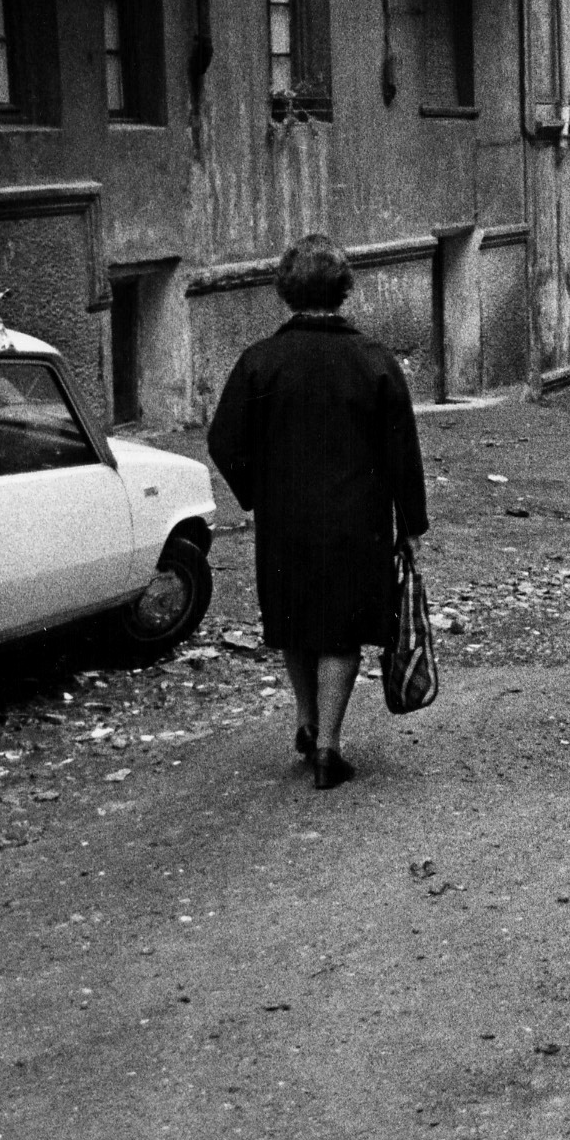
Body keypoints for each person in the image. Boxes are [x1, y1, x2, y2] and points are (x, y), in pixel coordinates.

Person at [206, 235, 429, 791]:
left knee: (296, 622)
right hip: (358, 522)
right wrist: (412, 525)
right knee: (342, 631)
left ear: (286, 292)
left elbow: (223, 440)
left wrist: (259, 491)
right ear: (344, 289)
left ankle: (305, 723)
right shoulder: (374, 361)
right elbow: (403, 450)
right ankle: (328, 747)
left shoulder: (261, 362)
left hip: (286, 521)